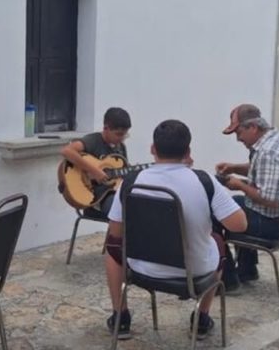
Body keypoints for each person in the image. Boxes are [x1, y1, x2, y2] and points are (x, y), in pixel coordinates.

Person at [103, 119, 247, 340]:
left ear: (153, 149)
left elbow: (115, 232)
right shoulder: (204, 181)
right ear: (188, 151)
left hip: (142, 269)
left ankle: (120, 317)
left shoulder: (131, 182)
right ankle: (201, 319)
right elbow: (239, 225)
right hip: (194, 272)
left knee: (111, 245)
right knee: (218, 240)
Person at [215, 104, 279, 283]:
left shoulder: (268, 152)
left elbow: (270, 200)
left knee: (218, 213)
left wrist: (239, 185)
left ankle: (228, 280)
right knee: (234, 205)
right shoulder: (277, 141)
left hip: (276, 224)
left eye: (238, 133)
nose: (238, 139)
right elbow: (264, 171)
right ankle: (247, 270)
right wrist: (234, 168)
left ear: (253, 127)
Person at [60, 107, 131, 217]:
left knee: (136, 205)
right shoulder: (93, 140)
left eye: (125, 135)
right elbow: (67, 151)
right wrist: (95, 171)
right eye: (118, 134)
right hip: (95, 197)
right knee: (122, 212)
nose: (121, 138)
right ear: (106, 128)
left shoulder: (120, 148)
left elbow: (122, 176)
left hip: (115, 193)